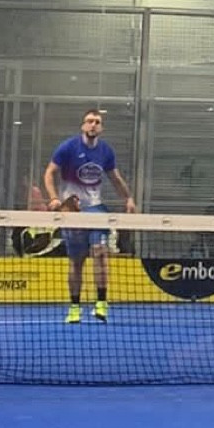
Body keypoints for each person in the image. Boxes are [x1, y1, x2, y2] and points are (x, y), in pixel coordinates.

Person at [44, 108, 135, 324]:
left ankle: (101, 303)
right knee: (77, 262)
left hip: (96, 210)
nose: (93, 125)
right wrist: (54, 198)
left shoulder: (106, 151)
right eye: (89, 121)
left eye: (97, 122)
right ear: (83, 125)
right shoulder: (68, 147)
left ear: (101, 128)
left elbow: (115, 178)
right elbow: (49, 173)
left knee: (100, 253)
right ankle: (75, 308)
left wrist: (128, 199)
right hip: (73, 211)